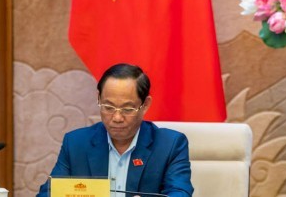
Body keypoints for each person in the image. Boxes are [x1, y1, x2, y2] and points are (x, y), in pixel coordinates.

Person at [37, 64, 194, 197]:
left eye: (127, 108)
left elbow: (180, 192)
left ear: (145, 104)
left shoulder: (170, 145)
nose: (117, 117)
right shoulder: (76, 143)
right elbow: (49, 193)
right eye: (108, 107)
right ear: (99, 99)